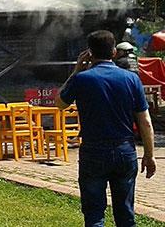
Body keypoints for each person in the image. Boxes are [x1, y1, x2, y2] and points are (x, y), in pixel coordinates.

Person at [57, 30, 156, 227]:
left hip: (93, 151)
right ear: (114, 52)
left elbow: (59, 103)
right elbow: (145, 121)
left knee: (94, 214)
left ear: (89, 54)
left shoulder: (81, 79)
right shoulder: (131, 79)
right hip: (124, 150)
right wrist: (149, 154)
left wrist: (77, 70)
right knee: (125, 213)